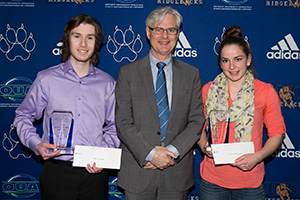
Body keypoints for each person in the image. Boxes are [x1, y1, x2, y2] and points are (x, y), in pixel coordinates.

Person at [13, 14, 120, 200]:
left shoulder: (107, 83)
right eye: (77, 36)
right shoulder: (46, 79)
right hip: (56, 173)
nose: (83, 44)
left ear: (97, 43)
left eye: (90, 37)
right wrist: (36, 144)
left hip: (94, 175)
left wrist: (103, 154)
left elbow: (115, 125)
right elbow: (23, 116)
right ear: (67, 40)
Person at [115, 6, 205, 200]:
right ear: (148, 32)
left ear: (178, 34)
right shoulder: (128, 73)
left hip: (177, 173)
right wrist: (150, 153)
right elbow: (122, 122)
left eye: (171, 30)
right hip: (138, 172)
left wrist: (171, 153)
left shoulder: (191, 74)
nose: (165, 36)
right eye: (158, 29)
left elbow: (197, 121)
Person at [197, 25, 286, 200]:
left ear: (248, 59)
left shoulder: (265, 91)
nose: (232, 66)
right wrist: (203, 146)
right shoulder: (208, 90)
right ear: (220, 62)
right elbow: (198, 126)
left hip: (250, 182)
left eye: (237, 59)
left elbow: (277, 134)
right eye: (225, 60)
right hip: (212, 181)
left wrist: (257, 157)